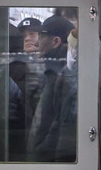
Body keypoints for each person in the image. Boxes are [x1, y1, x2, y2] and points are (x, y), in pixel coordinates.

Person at [28, 14, 78, 161]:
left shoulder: (57, 74)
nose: (36, 43)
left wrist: (38, 152)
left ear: (56, 41)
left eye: (42, 36)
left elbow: (56, 123)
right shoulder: (54, 72)